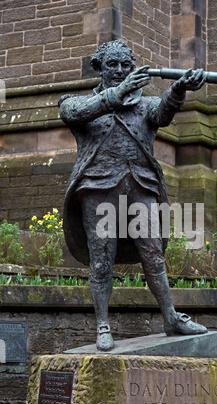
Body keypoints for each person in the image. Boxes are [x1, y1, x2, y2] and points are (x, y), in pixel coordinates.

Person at [59, 39, 207, 351]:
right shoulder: (76, 104)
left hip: (141, 187)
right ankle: (102, 325)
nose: (120, 70)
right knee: (101, 261)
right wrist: (119, 93)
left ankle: (170, 316)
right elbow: (75, 112)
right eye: (113, 65)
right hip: (98, 188)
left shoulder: (144, 106)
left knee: (154, 255)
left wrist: (178, 89)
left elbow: (163, 112)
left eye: (126, 65)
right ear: (100, 68)